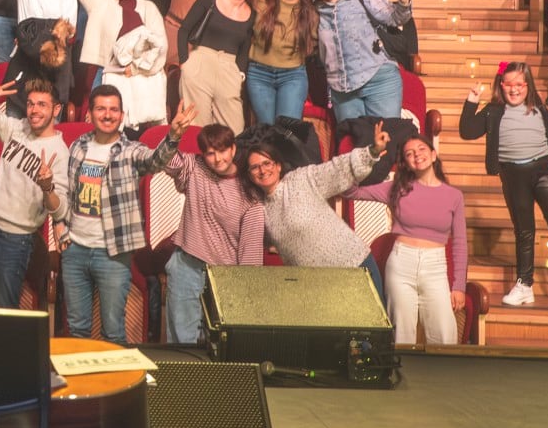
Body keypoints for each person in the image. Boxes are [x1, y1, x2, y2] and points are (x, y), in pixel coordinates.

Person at [59, 87, 193, 345]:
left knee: (113, 332)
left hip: (112, 254)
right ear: (90, 114)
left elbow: (155, 161)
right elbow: (66, 191)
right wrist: (60, 224)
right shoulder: (77, 147)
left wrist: (173, 136)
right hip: (75, 250)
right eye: (101, 109)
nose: (107, 115)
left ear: (122, 115)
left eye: (113, 110)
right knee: (76, 331)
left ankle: (113, 374)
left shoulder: (131, 150)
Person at [458, 62, 548, 310]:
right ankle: (524, 285)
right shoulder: (493, 111)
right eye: (508, 85)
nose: (514, 90)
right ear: (501, 85)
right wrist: (472, 100)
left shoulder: (538, 109)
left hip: (543, 171)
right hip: (513, 176)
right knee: (524, 231)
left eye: (519, 84)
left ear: (527, 85)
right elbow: (467, 132)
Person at [243, 120, 388, 299]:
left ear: (278, 165)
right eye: (255, 167)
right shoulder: (259, 209)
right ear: (249, 175)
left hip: (354, 267)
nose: (262, 170)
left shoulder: (300, 180)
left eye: (267, 163)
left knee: (373, 318)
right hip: (316, 287)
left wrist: (372, 151)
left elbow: (337, 169)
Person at [0, 76, 67, 308]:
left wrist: (47, 187)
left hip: (16, 240)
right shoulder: (18, 128)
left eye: (42, 105)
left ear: (56, 109)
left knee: (5, 310)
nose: (34, 110)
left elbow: (59, 210)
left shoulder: (60, 153)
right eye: (31, 104)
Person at [356, 138, 468, 345]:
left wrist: (459, 285)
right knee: (401, 335)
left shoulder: (454, 196)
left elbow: (460, 243)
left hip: (435, 267)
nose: (416, 154)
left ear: (433, 155)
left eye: (421, 149)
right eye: (409, 153)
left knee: (444, 336)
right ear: (406, 163)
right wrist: (372, 156)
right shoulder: (397, 189)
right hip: (401, 264)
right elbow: (350, 190)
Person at [159, 122, 260, 344]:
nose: (217, 159)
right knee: (181, 345)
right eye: (210, 153)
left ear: (233, 149)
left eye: (222, 151)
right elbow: (164, 160)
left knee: (220, 344)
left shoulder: (250, 192)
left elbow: (251, 254)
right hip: (187, 264)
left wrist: (243, 292)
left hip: (225, 274)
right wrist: (174, 135)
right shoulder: (195, 167)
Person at [312, 0, 412, 121]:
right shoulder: (315, 12)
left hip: (378, 80)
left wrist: (403, 1)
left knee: (385, 133)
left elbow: (396, 18)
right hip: (342, 89)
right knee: (351, 137)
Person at [177, 0, 257, 131]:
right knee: (196, 125)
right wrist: (184, 63)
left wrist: (240, 75)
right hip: (199, 62)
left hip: (229, 68)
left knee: (234, 129)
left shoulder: (252, 15)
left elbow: (244, 50)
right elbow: (184, 30)